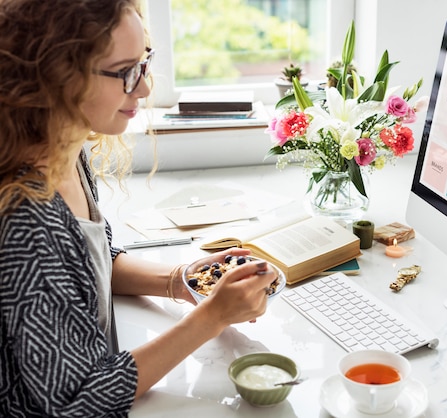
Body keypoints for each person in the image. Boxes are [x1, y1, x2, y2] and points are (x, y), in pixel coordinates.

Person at [0, 1, 278, 416]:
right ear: (59, 77)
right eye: (126, 71)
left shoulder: (65, 152)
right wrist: (212, 318)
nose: (145, 88)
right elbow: (75, 401)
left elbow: (88, 268)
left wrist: (180, 281)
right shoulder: (26, 220)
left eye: (144, 63)